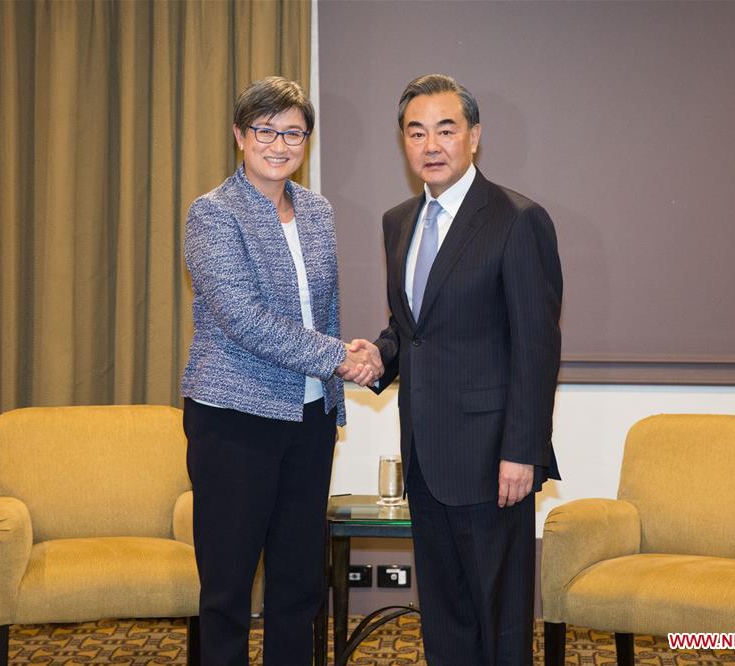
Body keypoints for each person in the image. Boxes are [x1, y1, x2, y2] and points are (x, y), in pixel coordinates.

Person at [348, 74, 563, 665]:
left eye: (446, 129)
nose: (432, 144)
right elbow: (411, 328)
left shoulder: (517, 219)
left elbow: (536, 347)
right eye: (417, 132)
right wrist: (380, 356)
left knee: (499, 622)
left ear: (474, 137)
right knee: (443, 619)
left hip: (494, 458)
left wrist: (522, 450)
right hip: (424, 455)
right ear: (404, 142)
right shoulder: (399, 221)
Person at [181, 76, 381, 665]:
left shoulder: (317, 211)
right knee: (228, 590)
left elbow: (320, 311)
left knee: (298, 586)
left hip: (309, 418)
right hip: (233, 422)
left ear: (306, 141)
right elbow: (244, 318)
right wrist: (339, 358)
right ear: (240, 136)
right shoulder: (212, 214)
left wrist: (351, 352)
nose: (279, 143)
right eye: (265, 130)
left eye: (292, 132)